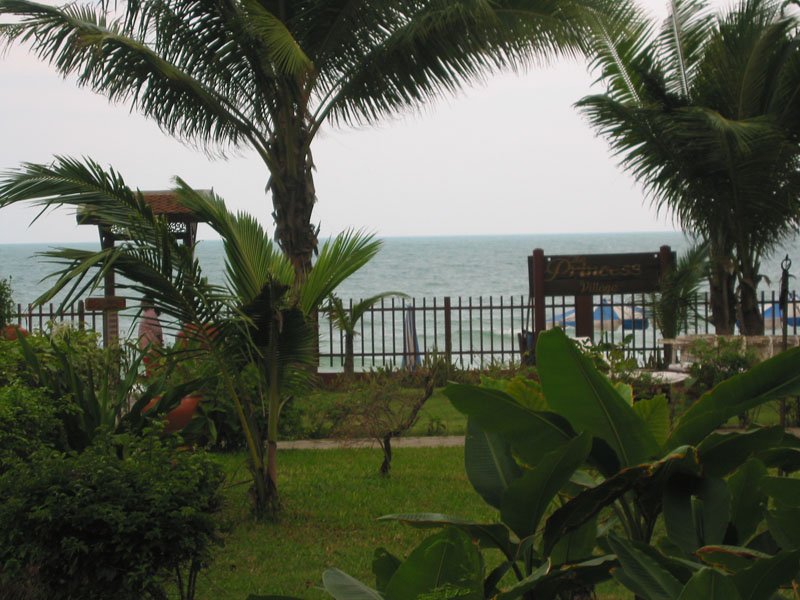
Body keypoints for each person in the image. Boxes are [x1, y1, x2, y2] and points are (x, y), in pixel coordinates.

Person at [138, 297, 163, 376]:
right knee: (151, 371)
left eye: (143, 302)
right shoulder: (148, 313)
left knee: (151, 372)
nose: (141, 304)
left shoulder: (149, 313)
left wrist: (160, 341)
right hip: (149, 348)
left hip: (151, 349)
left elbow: (157, 330)